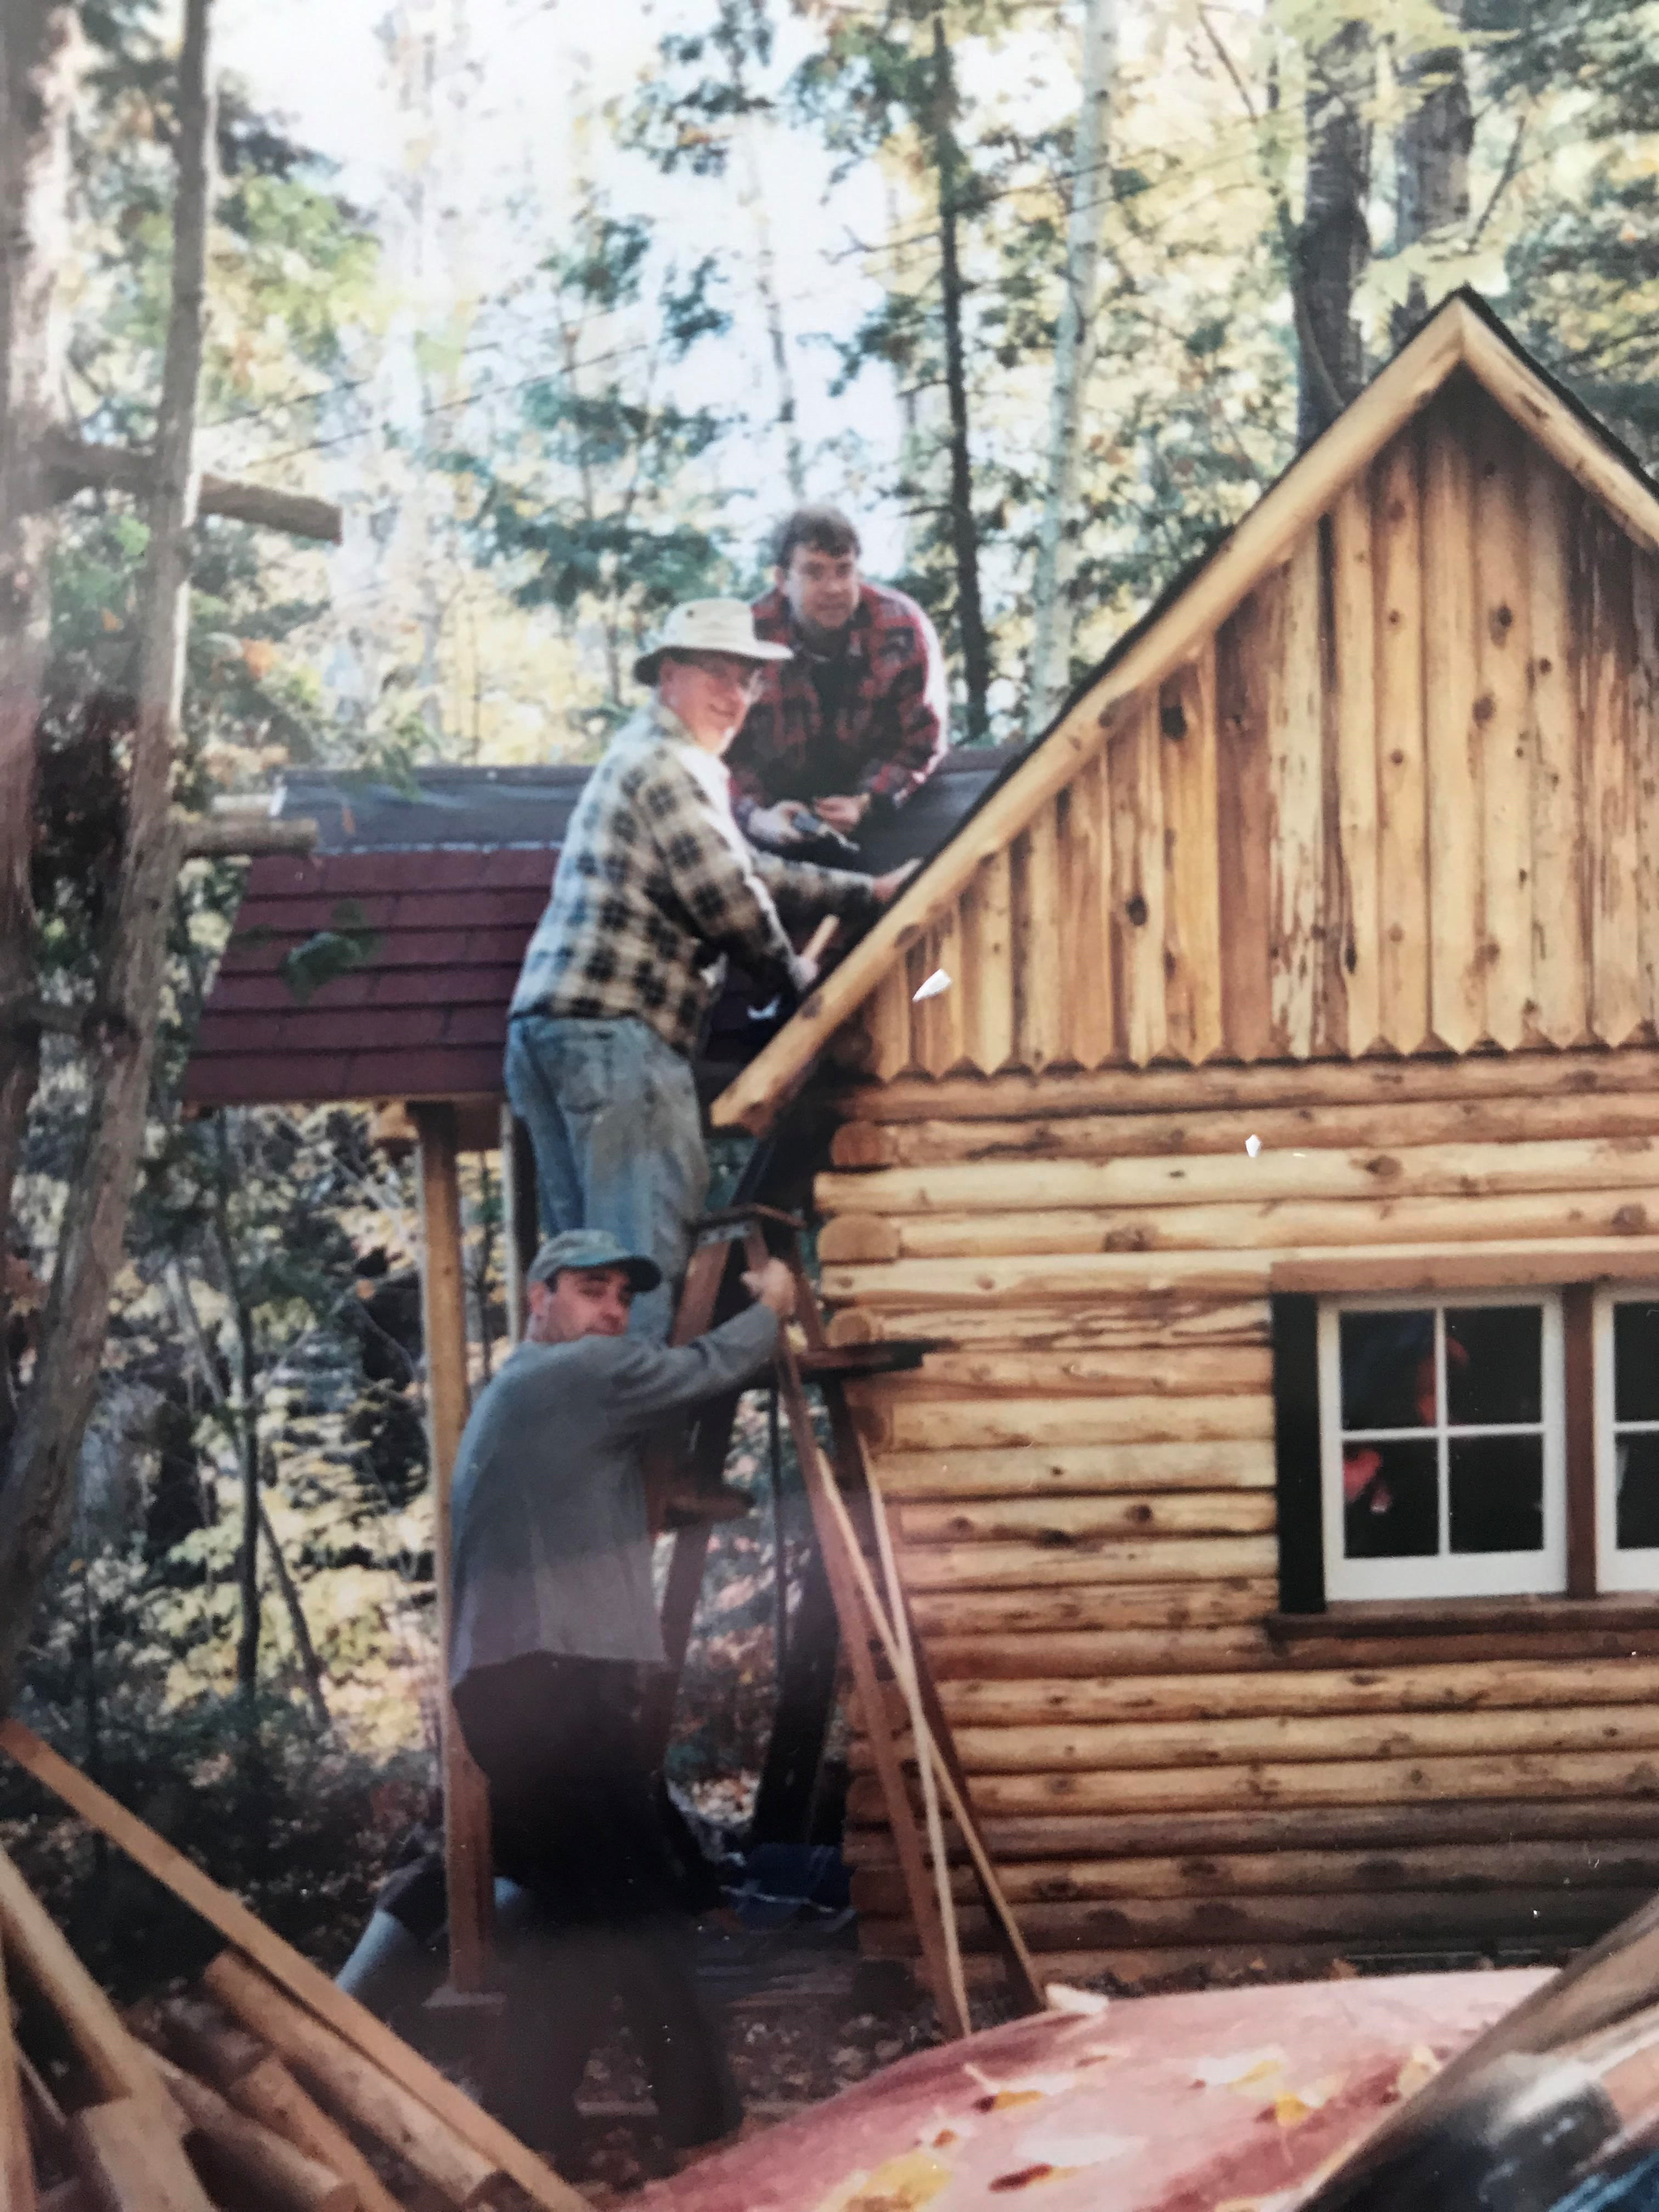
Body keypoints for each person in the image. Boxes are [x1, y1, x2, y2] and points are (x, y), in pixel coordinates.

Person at [447, 1226, 797, 2171]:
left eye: (620, 1300)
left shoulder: (529, 1393)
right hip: (544, 1686)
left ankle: (514, 2135)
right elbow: (707, 1367)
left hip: (525, 1685)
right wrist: (772, 1305)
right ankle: (710, 2133)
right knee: (642, 1909)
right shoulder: (566, 1377)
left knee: (576, 1921)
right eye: (590, 1291)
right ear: (538, 1299)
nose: (610, 1315)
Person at [506, 598, 915, 1339]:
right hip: (617, 1044)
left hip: (551, 1035)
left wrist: (866, 893)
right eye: (717, 676)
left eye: (749, 681)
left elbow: (744, 865)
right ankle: (643, 1453)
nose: (735, 697)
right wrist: (799, 985)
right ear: (670, 676)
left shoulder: (647, 759)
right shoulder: (672, 764)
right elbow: (729, 896)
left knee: (582, 1286)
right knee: (638, 1278)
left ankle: (596, 1450)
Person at [725, 504, 949, 854]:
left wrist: (868, 801)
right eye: (814, 573)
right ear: (783, 581)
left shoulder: (901, 630)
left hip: (874, 810)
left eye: (844, 572)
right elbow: (720, 753)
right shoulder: (746, 640)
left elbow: (920, 741)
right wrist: (758, 816)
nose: (833, 588)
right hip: (768, 817)